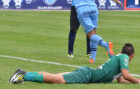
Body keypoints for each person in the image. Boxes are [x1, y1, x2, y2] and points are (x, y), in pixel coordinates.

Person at [45, 0, 123, 63]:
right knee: (93, 33)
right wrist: (116, 1)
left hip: (82, 9)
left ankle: (106, 45)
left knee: (90, 35)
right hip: (93, 8)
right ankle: (92, 59)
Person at [9, 43, 140, 84]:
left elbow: (122, 80)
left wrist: (133, 82)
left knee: (55, 76)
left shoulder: (119, 57)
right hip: (88, 75)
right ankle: (24, 76)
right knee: (57, 80)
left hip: (88, 73)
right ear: (132, 55)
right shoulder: (124, 57)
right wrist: (138, 81)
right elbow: (126, 74)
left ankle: (23, 73)